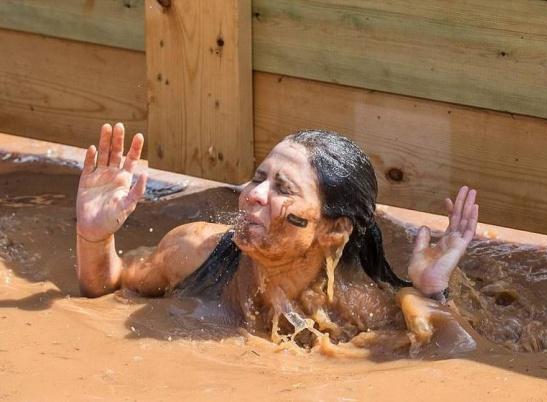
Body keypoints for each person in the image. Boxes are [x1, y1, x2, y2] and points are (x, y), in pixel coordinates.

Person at [76, 123, 478, 352]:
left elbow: (450, 351)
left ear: (334, 229)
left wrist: (432, 292)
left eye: (282, 189)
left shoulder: (358, 304)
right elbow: (107, 285)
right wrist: (94, 235)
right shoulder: (192, 250)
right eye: (258, 177)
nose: (252, 195)